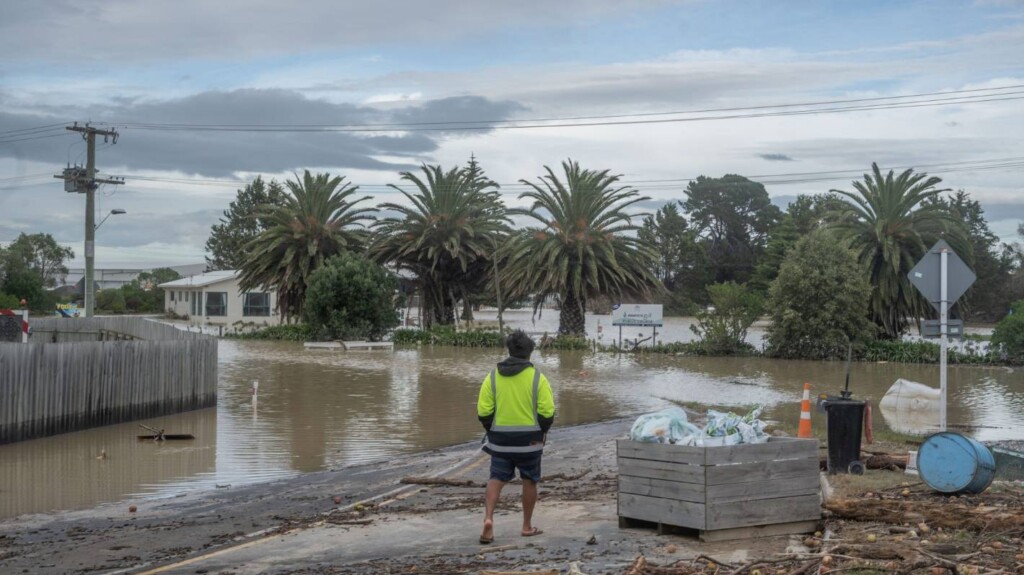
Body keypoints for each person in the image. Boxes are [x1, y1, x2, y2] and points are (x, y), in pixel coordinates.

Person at [477, 330, 555, 544]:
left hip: (500, 442)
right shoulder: (538, 378)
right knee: (529, 480)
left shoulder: (492, 376)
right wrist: (542, 432)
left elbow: (483, 411)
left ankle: (488, 519)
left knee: (496, 478)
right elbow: (547, 412)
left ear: (509, 350)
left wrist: (491, 431)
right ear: (530, 352)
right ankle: (527, 526)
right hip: (530, 443)